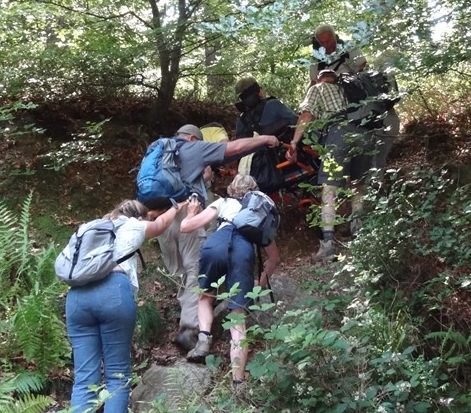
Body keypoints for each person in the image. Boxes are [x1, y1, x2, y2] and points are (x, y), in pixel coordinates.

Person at [152, 124, 280, 351]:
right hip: (187, 212)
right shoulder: (193, 148)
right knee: (194, 270)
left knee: (183, 271)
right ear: (193, 138)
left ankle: (189, 317)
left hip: (163, 217)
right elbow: (235, 147)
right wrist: (264, 139)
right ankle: (190, 332)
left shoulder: (160, 152)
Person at [66, 198, 185, 413]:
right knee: (117, 375)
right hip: (113, 293)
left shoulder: (89, 228)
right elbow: (161, 225)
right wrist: (177, 207)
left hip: (77, 297)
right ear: (140, 216)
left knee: (84, 378)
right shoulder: (133, 225)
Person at [288, 68, 400, 262]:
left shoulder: (318, 88)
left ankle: (328, 246)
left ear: (319, 78)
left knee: (329, 189)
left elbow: (307, 115)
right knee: (358, 186)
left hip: (339, 135)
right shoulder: (349, 89)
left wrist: (294, 142)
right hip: (365, 135)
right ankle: (359, 237)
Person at [179, 174, 280, 388]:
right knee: (238, 318)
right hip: (244, 251)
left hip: (215, 244)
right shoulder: (257, 214)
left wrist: (191, 213)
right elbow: (274, 258)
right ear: (254, 192)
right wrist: (259, 285)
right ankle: (238, 380)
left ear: (231, 189)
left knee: (206, 297)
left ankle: (204, 340)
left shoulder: (222, 202)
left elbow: (186, 227)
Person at [234, 76, 298, 142]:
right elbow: (296, 122)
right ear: (258, 90)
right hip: (290, 146)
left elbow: (239, 143)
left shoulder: (243, 120)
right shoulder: (273, 104)